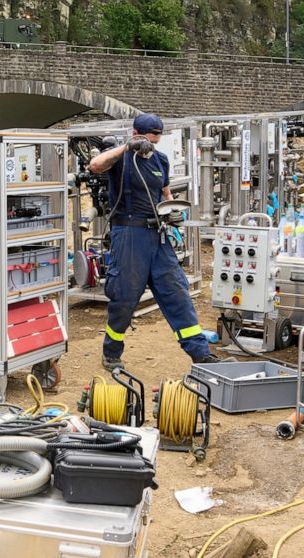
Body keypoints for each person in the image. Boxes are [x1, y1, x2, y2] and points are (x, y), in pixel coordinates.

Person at [88, 113, 222, 371]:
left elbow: (165, 191)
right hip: (129, 235)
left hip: (157, 235)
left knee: (177, 292)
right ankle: (111, 353)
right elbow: (96, 165)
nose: (152, 145)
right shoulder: (122, 158)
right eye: (147, 140)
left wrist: (173, 211)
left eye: (156, 140)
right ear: (136, 134)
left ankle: (200, 353)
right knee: (124, 298)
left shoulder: (161, 160)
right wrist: (127, 147)